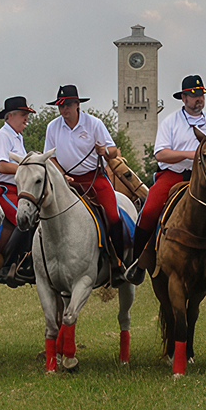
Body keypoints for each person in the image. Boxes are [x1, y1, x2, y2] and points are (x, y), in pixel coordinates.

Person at [127, 75, 206, 285]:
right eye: (193, 95)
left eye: (201, 94)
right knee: (148, 211)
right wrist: (191, 155)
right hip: (173, 175)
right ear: (183, 98)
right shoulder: (170, 122)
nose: (198, 99)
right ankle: (137, 262)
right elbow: (161, 154)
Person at [39, 85, 132, 276]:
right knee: (43, 211)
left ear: (77, 105)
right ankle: (40, 261)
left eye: (67, 105)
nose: (63, 109)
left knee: (113, 216)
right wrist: (61, 174)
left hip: (94, 178)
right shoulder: (52, 127)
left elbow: (113, 151)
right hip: (66, 180)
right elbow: (50, 157)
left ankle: (118, 262)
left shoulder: (94, 124)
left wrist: (104, 151)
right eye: (60, 106)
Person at [0, 96, 36, 285]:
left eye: (26, 114)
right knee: (24, 219)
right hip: (1, 188)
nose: (26, 118)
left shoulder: (17, 137)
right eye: (23, 114)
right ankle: (6, 268)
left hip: (16, 189)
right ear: (10, 116)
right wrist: (28, 169)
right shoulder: (3, 135)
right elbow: (1, 166)